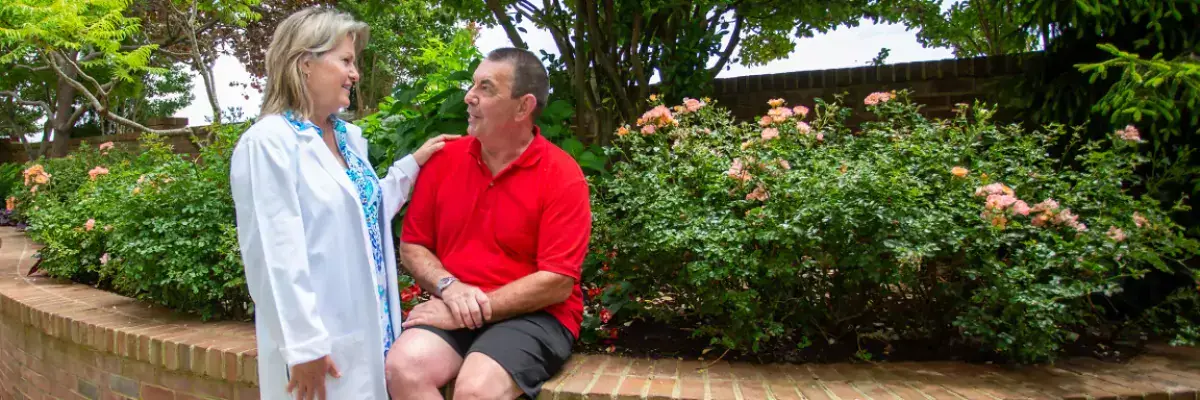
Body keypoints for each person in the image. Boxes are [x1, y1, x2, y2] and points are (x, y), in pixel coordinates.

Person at [229, 7, 456, 400]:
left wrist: (410, 166)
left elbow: (360, 216)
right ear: (304, 64)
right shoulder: (269, 143)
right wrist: (303, 348)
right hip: (318, 346)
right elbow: (273, 254)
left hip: (370, 330)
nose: (355, 74)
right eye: (346, 61)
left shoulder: (348, 139)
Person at [384, 47, 592, 400]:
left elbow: (556, 282)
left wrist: (473, 310)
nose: (469, 96)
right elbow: (413, 245)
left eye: (486, 87)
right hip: (456, 302)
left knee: (476, 391)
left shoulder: (562, 175)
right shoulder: (443, 161)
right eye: (472, 84)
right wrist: (450, 288)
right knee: (402, 368)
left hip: (535, 315)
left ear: (523, 107)